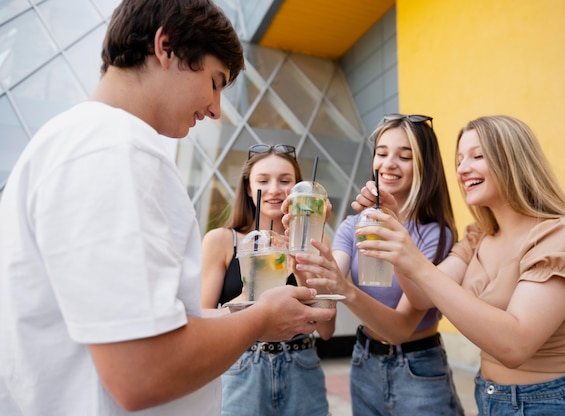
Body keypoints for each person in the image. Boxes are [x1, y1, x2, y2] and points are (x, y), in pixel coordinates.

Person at [0, 1, 335, 415]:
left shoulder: (68, 141)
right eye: (215, 82)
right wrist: (259, 321)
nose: (215, 109)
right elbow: (141, 371)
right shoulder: (115, 150)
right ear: (167, 46)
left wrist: (238, 315)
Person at [353, 115, 565, 415]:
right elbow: (422, 296)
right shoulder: (479, 237)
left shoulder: (564, 235)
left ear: (513, 160)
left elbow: (515, 346)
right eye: (460, 159)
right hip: (491, 399)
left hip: (556, 403)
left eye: (477, 156)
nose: (463, 169)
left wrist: (413, 258)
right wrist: (395, 232)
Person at [292, 114, 465, 415]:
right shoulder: (353, 224)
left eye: (405, 156)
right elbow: (325, 304)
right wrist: (307, 255)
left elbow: (400, 329)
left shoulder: (436, 234)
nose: (388, 164)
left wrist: (344, 289)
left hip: (418, 369)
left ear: (425, 165)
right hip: (364, 362)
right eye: (382, 153)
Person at [201, 143, 334, 416]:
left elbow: (327, 328)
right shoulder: (222, 241)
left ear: (298, 189)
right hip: (242, 366)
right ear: (249, 188)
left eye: (285, 181)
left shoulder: (315, 241)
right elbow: (202, 319)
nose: (274, 189)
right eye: (263, 180)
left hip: (302, 366)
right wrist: (252, 291)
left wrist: (300, 269)